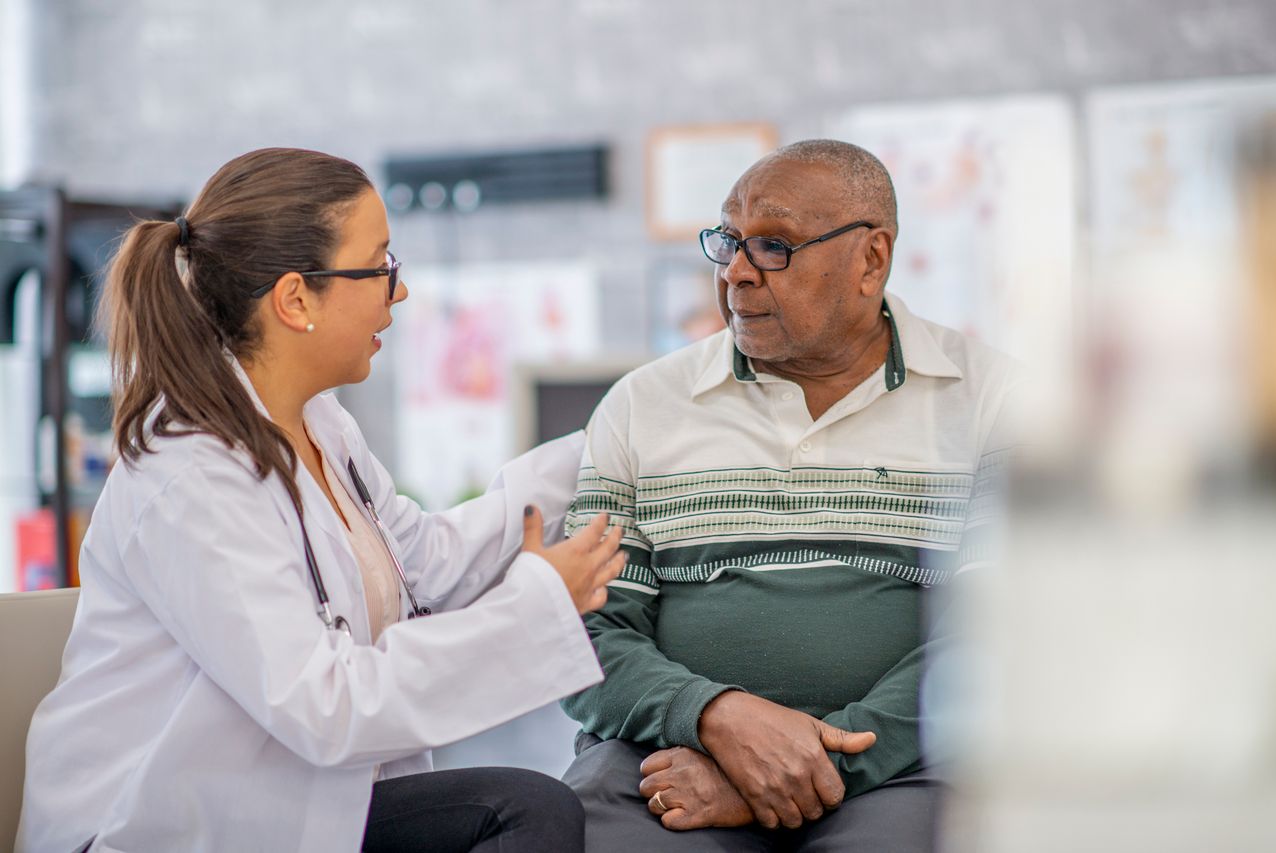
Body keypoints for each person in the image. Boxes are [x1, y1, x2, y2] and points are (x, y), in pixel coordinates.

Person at [16, 148, 625, 853]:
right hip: (163, 828)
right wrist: (537, 600)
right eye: (381, 265)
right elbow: (324, 705)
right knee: (529, 811)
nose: (398, 293)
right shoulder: (187, 473)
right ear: (295, 298)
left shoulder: (321, 425)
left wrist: (611, 444)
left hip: (275, 802)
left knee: (528, 804)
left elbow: (424, 563)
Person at [559, 139, 1020, 852]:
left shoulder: (992, 400)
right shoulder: (641, 404)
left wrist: (811, 769)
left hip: (906, 769)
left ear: (871, 259)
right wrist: (715, 715)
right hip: (670, 757)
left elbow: (998, 638)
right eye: (728, 242)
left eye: (774, 246)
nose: (736, 274)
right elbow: (577, 639)